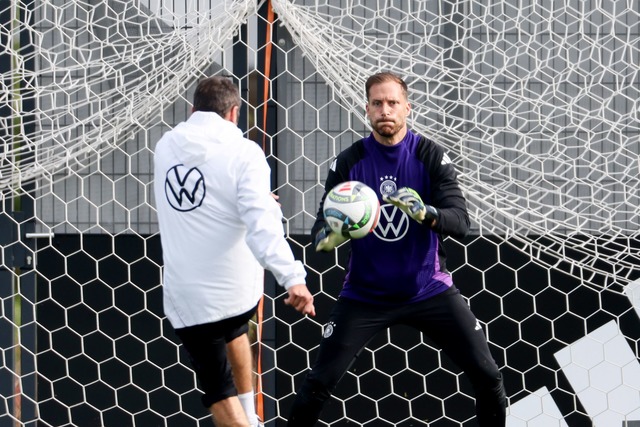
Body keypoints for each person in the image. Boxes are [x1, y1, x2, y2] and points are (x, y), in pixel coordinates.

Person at [287, 72, 506, 426]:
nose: (384, 110)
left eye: (392, 103)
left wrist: (426, 213)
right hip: (365, 295)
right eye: (377, 103)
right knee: (318, 383)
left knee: (488, 376)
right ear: (367, 109)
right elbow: (319, 236)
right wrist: (335, 236)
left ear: (407, 107)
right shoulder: (350, 162)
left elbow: (461, 222)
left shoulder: (429, 155)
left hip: (428, 289)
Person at [153, 75, 316, 427]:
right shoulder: (245, 153)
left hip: (191, 298)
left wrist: (253, 200)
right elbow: (261, 226)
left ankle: (249, 418)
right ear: (234, 113)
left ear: (192, 110)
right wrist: (293, 278)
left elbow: (206, 195)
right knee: (231, 346)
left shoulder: (165, 146)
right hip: (236, 294)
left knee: (222, 372)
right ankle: (249, 417)